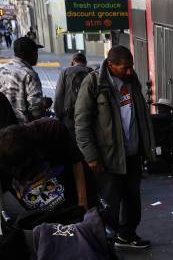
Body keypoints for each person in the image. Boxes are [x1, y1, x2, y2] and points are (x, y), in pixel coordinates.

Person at [74, 45, 156, 249]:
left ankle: (126, 236)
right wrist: (91, 157)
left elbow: (140, 116)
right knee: (109, 204)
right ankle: (104, 245)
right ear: (110, 65)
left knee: (132, 200)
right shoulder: (94, 83)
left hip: (132, 154)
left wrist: (147, 147)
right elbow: (82, 123)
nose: (129, 71)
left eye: (131, 67)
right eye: (124, 67)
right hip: (107, 157)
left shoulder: (131, 80)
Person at [0, 119, 94, 213]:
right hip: (37, 208)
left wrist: (82, 202)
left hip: (71, 187)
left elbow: (76, 162)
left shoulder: (52, 129)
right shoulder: (4, 156)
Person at [0, 37, 44, 123]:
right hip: (21, 129)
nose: (37, 55)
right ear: (31, 54)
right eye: (36, 52)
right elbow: (36, 111)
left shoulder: (1, 69)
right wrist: (44, 104)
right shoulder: (29, 74)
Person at [54, 52, 92, 135]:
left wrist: (58, 116)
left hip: (69, 116)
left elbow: (58, 96)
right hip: (88, 115)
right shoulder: (91, 72)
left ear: (72, 62)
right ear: (85, 62)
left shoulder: (66, 72)